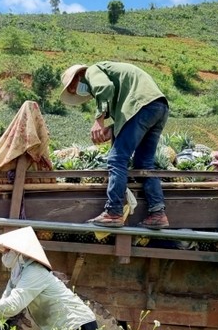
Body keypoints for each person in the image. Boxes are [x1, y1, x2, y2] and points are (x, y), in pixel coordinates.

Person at [60, 61, 170, 229]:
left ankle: (113, 212)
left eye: (72, 87)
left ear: (78, 77)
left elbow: (105, 88)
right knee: (144, 164)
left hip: (141, 106)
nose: (75, 91)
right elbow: (127, 116)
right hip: (158, 107)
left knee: (116, 160)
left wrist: (98, 121)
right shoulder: (114, 76)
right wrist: (111, 130)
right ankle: (158, 213)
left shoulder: (92, 71)